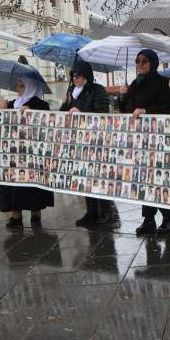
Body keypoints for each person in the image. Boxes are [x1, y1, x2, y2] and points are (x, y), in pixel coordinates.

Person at [121, 48, 170, 236]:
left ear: (152, 63)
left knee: (160, 179)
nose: (140, 64)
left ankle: (168, 218)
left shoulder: (163, 82)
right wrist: (123, 95)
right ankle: (148, 219)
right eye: (137, 61)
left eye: (144, 61)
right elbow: (126, 111)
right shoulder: (134, 84)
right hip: (140, 140)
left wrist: (147, 111)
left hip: (159, 139)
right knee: (143, 179)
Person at [59, 58, 112, 226]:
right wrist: (64, 105)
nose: (75, 78)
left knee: (98, 176)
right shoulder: (71, 93)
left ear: (87, 76)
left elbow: (102, 111)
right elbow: (63, 117)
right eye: (73, 75)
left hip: (96, 141)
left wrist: (81, 110)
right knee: (85, 177)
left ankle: (106, 211)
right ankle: (91, 212)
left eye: (79, 75)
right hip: (78, 142)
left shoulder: (97, 90)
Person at [0, 77, 53, 228]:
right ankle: (15, 214)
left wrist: (32, 113)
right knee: (13, 182)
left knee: (32, 182)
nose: (19, 89)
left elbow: (48, 125)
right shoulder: (11, 104)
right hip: (12, 152)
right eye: (18, 86)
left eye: (23, 86)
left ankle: (35, 213)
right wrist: (2, 113)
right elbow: (2, 126)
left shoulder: (41, 105)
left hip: (32, 152)